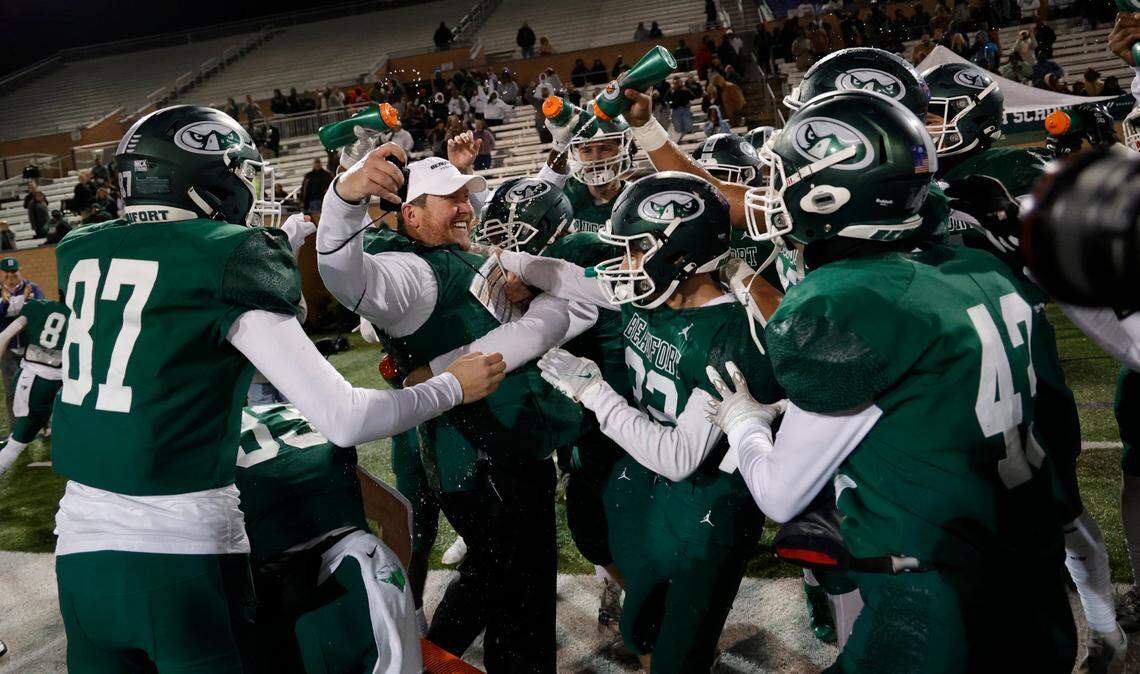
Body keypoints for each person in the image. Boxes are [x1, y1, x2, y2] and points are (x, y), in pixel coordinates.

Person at [50, 106, 503, 674]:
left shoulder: (81, 247)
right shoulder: (227, 254)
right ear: (204, 175)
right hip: (180, 557)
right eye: (240, 171)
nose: (248, 187)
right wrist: (448, 388)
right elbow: (343, 418)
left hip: (78, 551)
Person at [716, 90, 1078, 672]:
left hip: (936, 604)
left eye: (782, 179)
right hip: (1034, 577)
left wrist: (744, 425)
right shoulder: (981, 269)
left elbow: (781, 492)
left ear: (830, 193)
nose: (771, 194)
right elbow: (1060, 423)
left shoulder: (850, 305)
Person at [493, 172, 780, 673]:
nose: (623, 265)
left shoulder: (730, 335)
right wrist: (499, 259)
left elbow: (679, 458)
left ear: (679, 254)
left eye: (634, 249)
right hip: (651, 487)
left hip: (707, 506)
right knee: (644, 627)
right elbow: (565, 276)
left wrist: (593, 392)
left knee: (678, 656)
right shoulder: (648, 291)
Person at [316, 137, 584, 671]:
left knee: (491, 575)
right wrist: (343, 200)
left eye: (466, 195)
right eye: (450, 199)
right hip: (486, 462)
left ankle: (429, 658)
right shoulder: (410, 274)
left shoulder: (447, 254)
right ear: (411, 214)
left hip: (490, 453)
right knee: (523, 603)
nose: (466, 207)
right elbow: (346, 278)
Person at [924, 61, 1127, 670]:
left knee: (1057, 504)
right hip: (939, 372)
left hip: (1016, 362)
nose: (919, 128)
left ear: (971, 118)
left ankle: (1105, 630)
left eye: (933, 115)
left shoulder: (1018, 175)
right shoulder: (903, 185)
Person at [234, 403, 422, 672]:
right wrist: (397, 601)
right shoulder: (299, 409)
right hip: (365, 575)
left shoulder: (197, 450)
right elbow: (396, 511)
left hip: (287, 609)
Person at [0, 295, 68, 475]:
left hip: (30, 377)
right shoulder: (79, 316)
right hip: (40, 382)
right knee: (17, 443)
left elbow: (4, 335)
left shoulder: (37, 306)